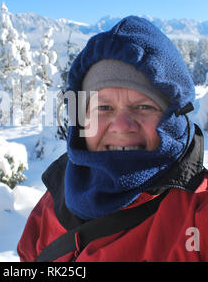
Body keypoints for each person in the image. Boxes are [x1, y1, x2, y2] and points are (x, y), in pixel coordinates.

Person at [17, 16, 208, 262]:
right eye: (103, 108)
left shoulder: (197, 214)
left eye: (144, 107)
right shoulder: (57, 196)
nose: (121, 126)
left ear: (173, 118)